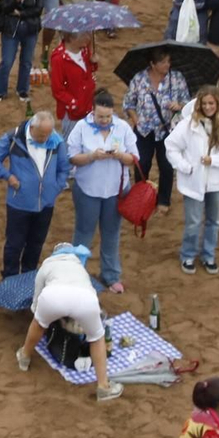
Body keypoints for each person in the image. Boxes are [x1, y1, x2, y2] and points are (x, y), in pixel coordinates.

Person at [14, 244, 122, 403]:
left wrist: (44, 315)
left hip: (52, 296)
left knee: (38, 324)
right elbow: (89, 292)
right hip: (85, 300)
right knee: (97, 338)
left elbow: (36, 302)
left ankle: (24, 356)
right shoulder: (79, 266)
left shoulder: (47, 265)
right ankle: (103, 386)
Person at [66, 89, 138, 292]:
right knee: (83, 233)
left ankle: (110, 275)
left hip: (116, 191)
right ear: (93, 111)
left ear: (113, 112)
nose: (104, 120)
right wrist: (92, 156)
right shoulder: (81, 127)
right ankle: (75, 275)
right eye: (100, 116)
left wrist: (120, 156)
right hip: (88, 189)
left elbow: (134, 158)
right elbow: (72, 158)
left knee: (111, 233)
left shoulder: (123, 127)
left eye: (108, 116)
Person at [167, 90, 219, 274]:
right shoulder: (187, 125)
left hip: (216, 182)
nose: (208, 107)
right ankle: (188, 255)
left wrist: (213, 161)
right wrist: (185, 167)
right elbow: (171, 147)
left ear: (218, 105)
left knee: (214, 221)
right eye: (205, 103)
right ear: (199, 104)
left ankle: (208, 255)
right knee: (193, 222)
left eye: (212, 103)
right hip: (193, 181)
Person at [0, 109, 70, 278]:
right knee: (14, 244)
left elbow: (64, 168)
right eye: (41, 135)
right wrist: (8, 176)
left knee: (36, 244)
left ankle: (28, 277)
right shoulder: (14, 138)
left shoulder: (57, 141)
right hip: (19, 203)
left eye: (48, 134)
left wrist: (56, 187)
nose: (45, 139)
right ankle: (9, 279)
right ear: (32, 128)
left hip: (46, 204)